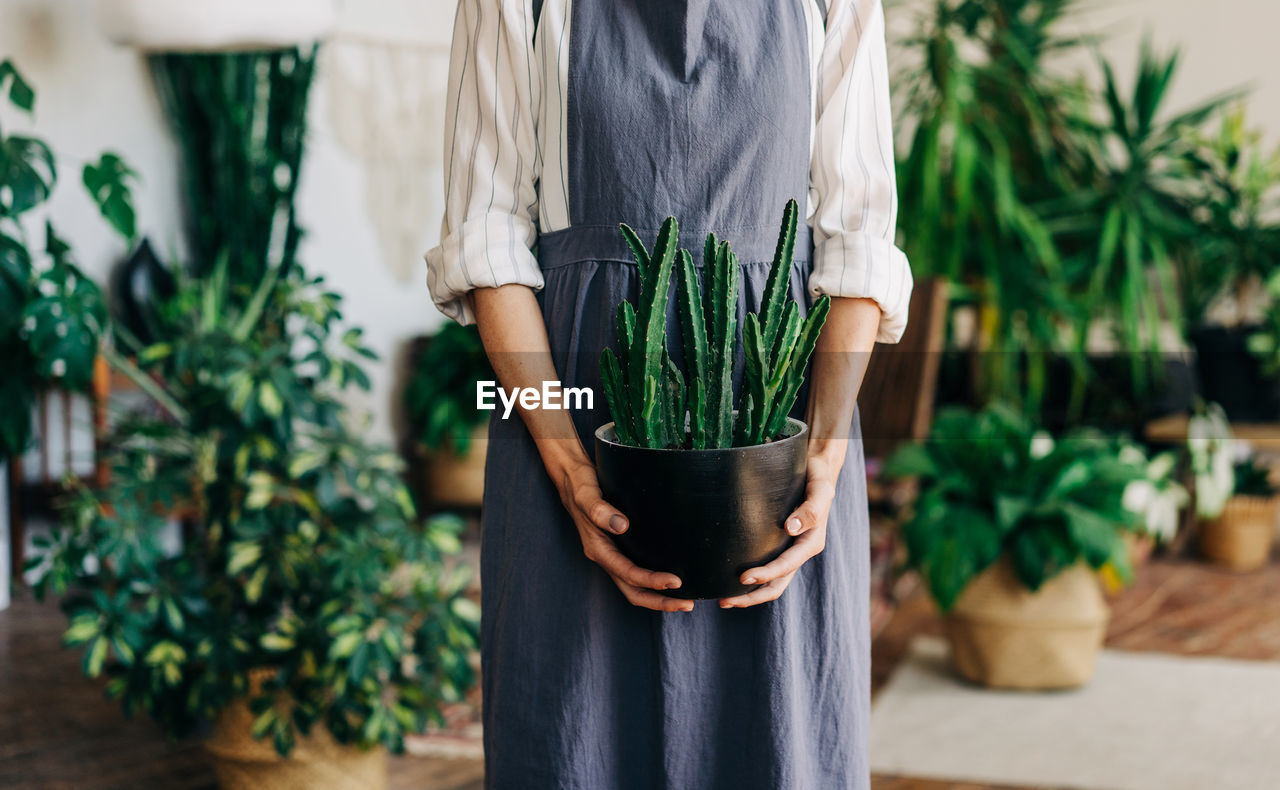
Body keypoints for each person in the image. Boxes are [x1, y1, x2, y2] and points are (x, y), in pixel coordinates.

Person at [426, 0, 911, 787]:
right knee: (573, 739)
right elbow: (486, 238)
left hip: (776, 415)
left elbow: (857, 236)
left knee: (779, 740)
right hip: (574, 399)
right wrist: (567, 467)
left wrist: (820, 451)